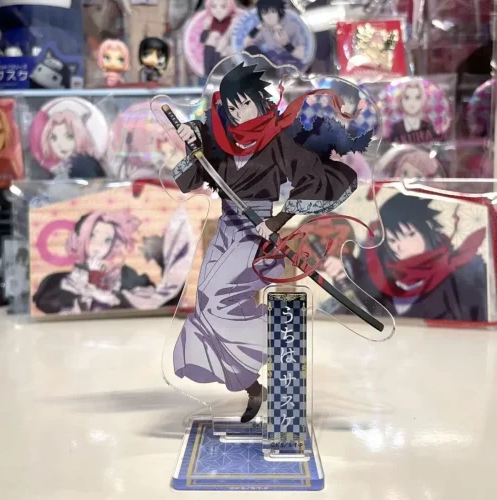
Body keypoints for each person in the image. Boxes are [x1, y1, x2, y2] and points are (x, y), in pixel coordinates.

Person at [172, 63, 368, 423]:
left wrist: (276, 221)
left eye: (244, 104)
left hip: (257, 235)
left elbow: (312, 179)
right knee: (206, 302)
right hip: (228, 228)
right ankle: (252, 386)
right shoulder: (218, 139)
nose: (238, 113)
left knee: (215, 297)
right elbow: (189, 181)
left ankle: (278, 336)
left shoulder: (278, 139)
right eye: (231, 107)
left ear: (260, 102)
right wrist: (193, 141)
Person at [323, 193, 488, 321]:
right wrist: (345, 276)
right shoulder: (381, 271)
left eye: (409, 235)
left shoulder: (464, 271)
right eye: (392, 240)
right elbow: (362, 315)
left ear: (427, 228)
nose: (399, 246)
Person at [33, 211, 165, 314]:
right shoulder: (58, 281)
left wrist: (111, 297)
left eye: (107, 240)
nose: (99, 246)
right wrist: (91, 284)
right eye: (92, 236)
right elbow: (47, 306)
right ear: (80, 237)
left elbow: (153, 298)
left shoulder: (125, 275)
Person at [243, 0, 305, 68]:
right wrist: (257, 28)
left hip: (291, 62)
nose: (269, 16)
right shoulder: (264, 29)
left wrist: (286, 44)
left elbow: (301, 55)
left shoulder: (292, 27)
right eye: (264, 13)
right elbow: (247, 46)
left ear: (279, 11)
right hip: (273, 63)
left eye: (273, 11)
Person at [200, 0, 239, 76]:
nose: (218, 10)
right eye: (214, 6)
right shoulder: (210, 20)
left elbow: (236, 40)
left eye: (223, 6)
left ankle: (217, 73)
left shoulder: (234, 20)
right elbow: (202, 40)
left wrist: (225, 37)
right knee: (214, 36)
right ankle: (209, 73)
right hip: (213, 56)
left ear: (230, 7)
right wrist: (206, 29)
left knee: (223, 46)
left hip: (228, 54)